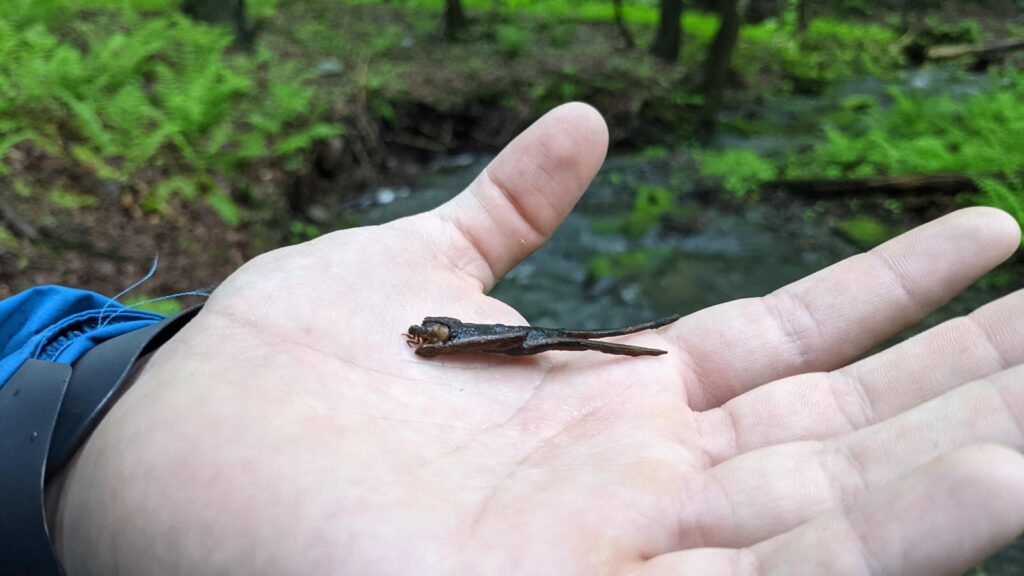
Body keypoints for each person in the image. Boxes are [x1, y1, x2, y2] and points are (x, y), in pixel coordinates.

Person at [7, 103, 1024, 575]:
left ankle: (624, 340)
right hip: (517, 339)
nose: (419, 340)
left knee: (596, 337)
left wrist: (79, 432)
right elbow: (441, 338)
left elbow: (475, 339)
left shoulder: (465, 340)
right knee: (590, 337)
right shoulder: (435, 341)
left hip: (531, 338)